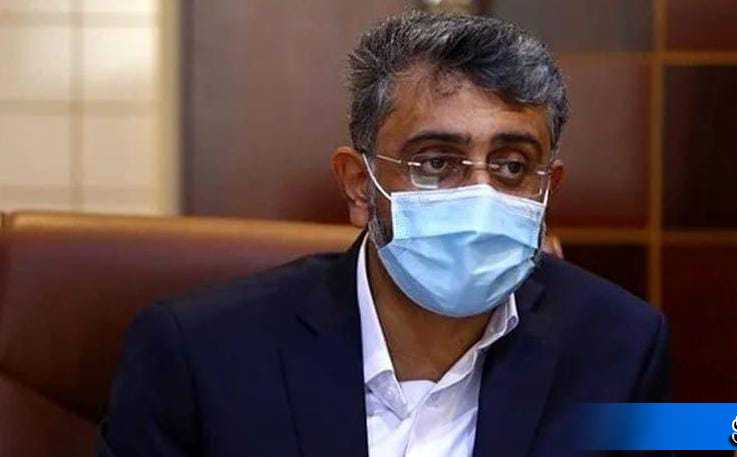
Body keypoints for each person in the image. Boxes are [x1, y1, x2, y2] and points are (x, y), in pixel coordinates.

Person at [96, 11, 668, 457]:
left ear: (548, 190)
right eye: (436, 163)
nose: (480, 195)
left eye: (512, 166)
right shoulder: (201, 352)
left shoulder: (620, 347)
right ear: (358, 186)